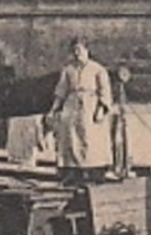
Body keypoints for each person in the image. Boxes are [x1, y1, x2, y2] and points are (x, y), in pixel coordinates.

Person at [43, 37, 113, 184]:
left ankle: (96, 172)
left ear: (86, 50)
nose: (76, 53)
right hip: (72, 105)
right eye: (74, 50)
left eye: (79, 49)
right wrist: (53, 109)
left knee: (90, 139)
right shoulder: (68, 70)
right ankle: (72, 172)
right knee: (70, 136)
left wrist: (101, 109)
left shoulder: (98, 69)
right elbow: (61, 92)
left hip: (90, 106)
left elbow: (105, 91)